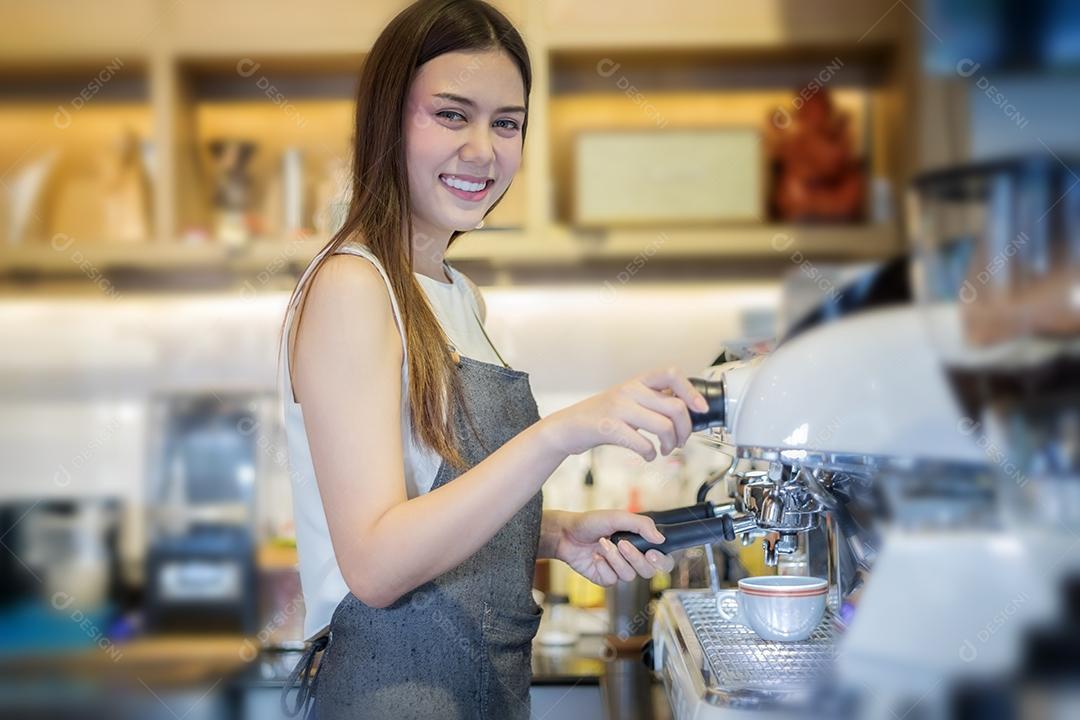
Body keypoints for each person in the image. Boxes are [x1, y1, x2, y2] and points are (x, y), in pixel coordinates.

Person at [277, 2, 710, 718]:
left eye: (507, 124)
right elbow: (376, 563)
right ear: (387, 120)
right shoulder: (353, 286)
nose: (483, 150)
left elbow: (427, 507)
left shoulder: (457, 295)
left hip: (480, 691)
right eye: (452, 115)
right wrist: (560, 434)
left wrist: (554, 533)